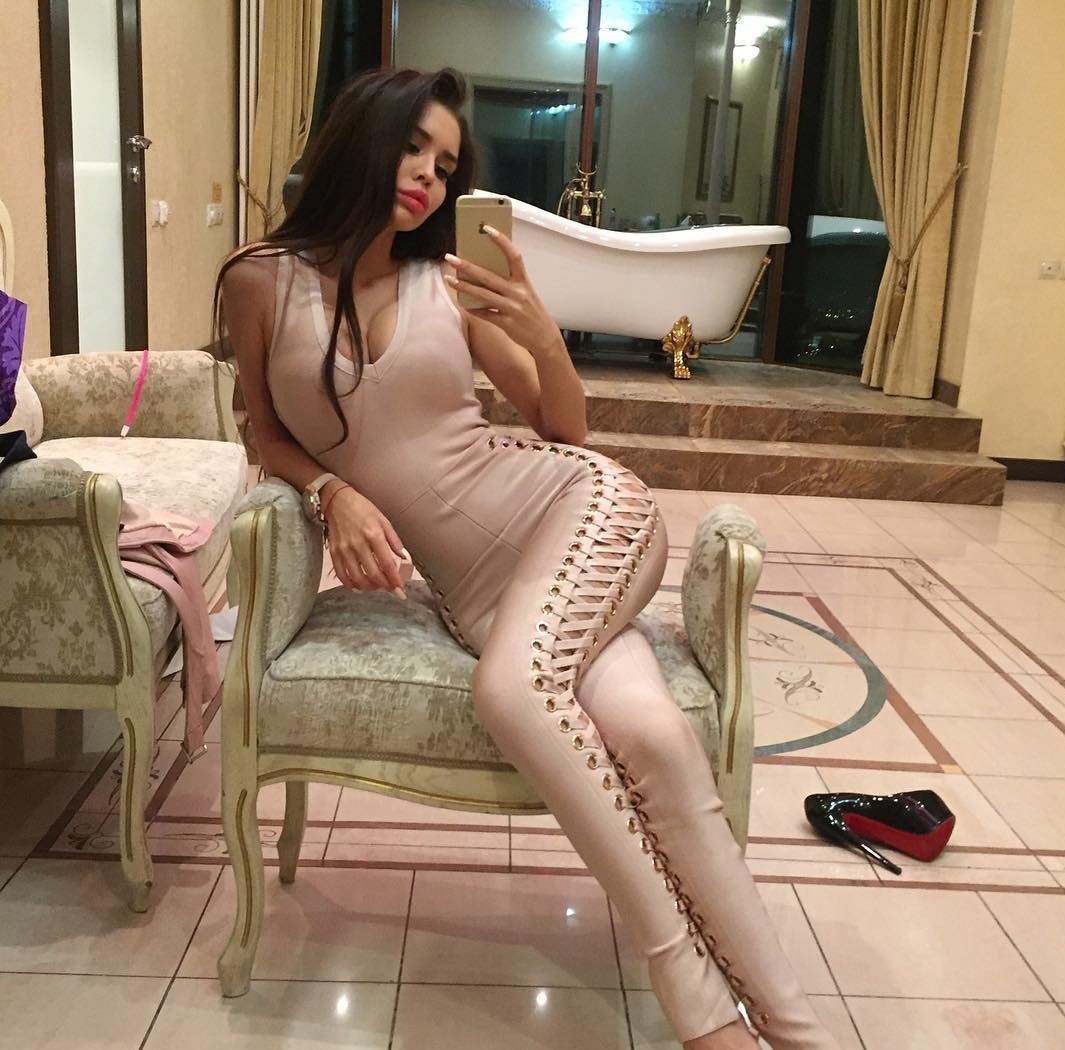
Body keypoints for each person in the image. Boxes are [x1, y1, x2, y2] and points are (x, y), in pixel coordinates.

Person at [216, 65, 840, 1050]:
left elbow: (565, 426)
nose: (427, 177)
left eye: (445, 165)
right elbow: (264, 431)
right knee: (657, 740)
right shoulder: (260, 278)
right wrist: (333, 492)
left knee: (513, 690)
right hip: (479, 592)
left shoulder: (448, 282)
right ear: (362, 136)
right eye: (413, 148)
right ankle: (799, 1031)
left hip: (577, 510)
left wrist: (546, 336)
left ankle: (707, 1019)